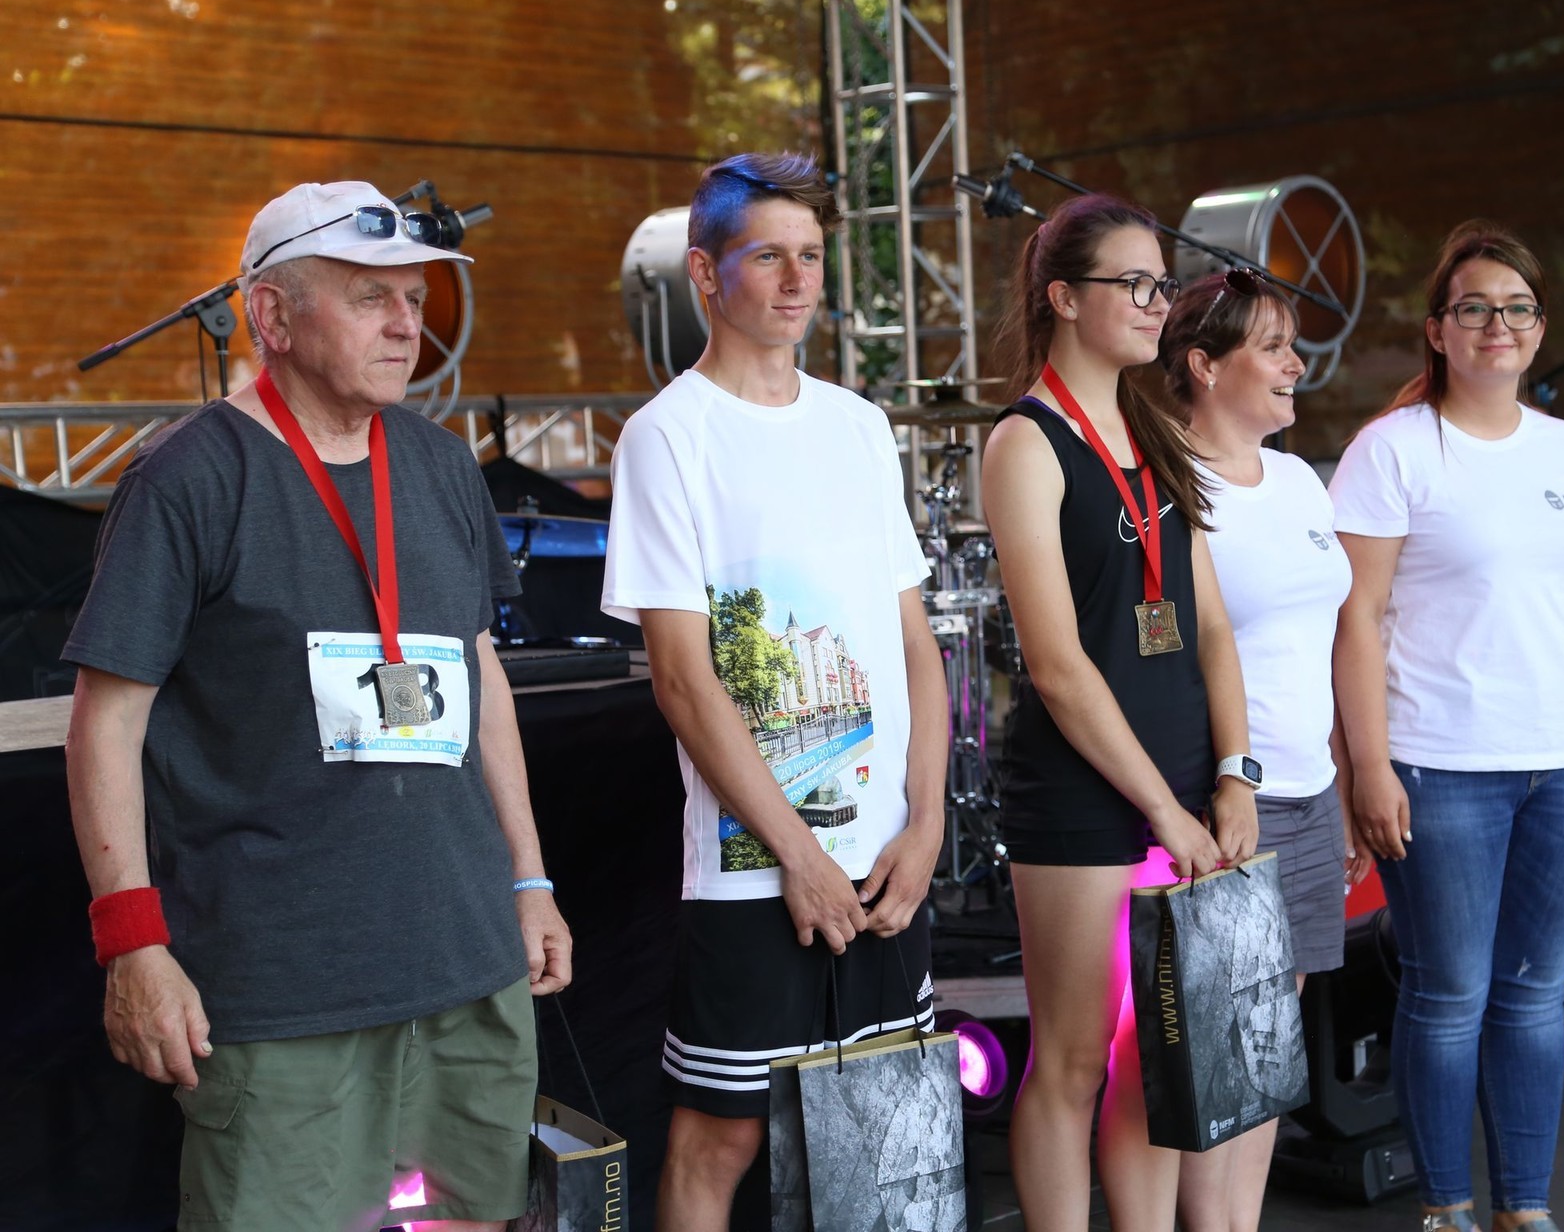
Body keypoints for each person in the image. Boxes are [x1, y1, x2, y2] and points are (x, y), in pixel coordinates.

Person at [63, 180, 572, 1232]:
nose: (407, 324)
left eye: (415, 299)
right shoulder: (189, 478)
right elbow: (105, 725)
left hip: (466, 958)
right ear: (272, 314)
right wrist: (133, 943)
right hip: (283, 984)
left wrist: (529, 878)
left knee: (478, 1215)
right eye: (370, 297)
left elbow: (482, 681)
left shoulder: (442, 466)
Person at [600, 152, 949, 1230]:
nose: (798, 281)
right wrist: (798, 854)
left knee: (887, 1126)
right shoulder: (667, 436)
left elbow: (914, 643)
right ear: (706, 274)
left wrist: (928, 823)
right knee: (722, 1136)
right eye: (768, 257)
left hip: (887, 860)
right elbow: (682, 678)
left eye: (811, 255)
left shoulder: (858, 424)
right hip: (756, 870)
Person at [981, 193, 1258, 1232]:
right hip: (1086, 799)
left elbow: (1212, 626)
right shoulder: (1026, 443)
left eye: (1160, 283)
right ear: (1063, 297)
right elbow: (1056, 667)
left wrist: (1234, 773)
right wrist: (1164, 813)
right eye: (1133, 283)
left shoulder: (1156, 429)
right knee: (1073, 1058)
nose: (1158, 303)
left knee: (1158, 1051)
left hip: (1187, 785)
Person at [1330, 220, 1564, 1232]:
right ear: (1438, 328)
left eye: (1518, 307)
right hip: (1441, 763)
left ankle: (1523, 1208)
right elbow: (1354, 618)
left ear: (1540, 326)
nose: (1499, 324)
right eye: (1476, 307)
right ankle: (1445, 1208)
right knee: (1449, 995)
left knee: (1534, 994)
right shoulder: (1392, 450)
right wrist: (1367, 765)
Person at [1158, 268, 1367, 1232]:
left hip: (1311, 795)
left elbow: (1325, 640)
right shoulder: (1168, 486)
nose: (1296, 365)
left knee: (1270, 1051)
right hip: (1227, 802)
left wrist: (1344, 783)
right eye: (1274, 347)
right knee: (1220, 1062)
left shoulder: (1297, 479)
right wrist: (1219, 787)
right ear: (1204, 365)